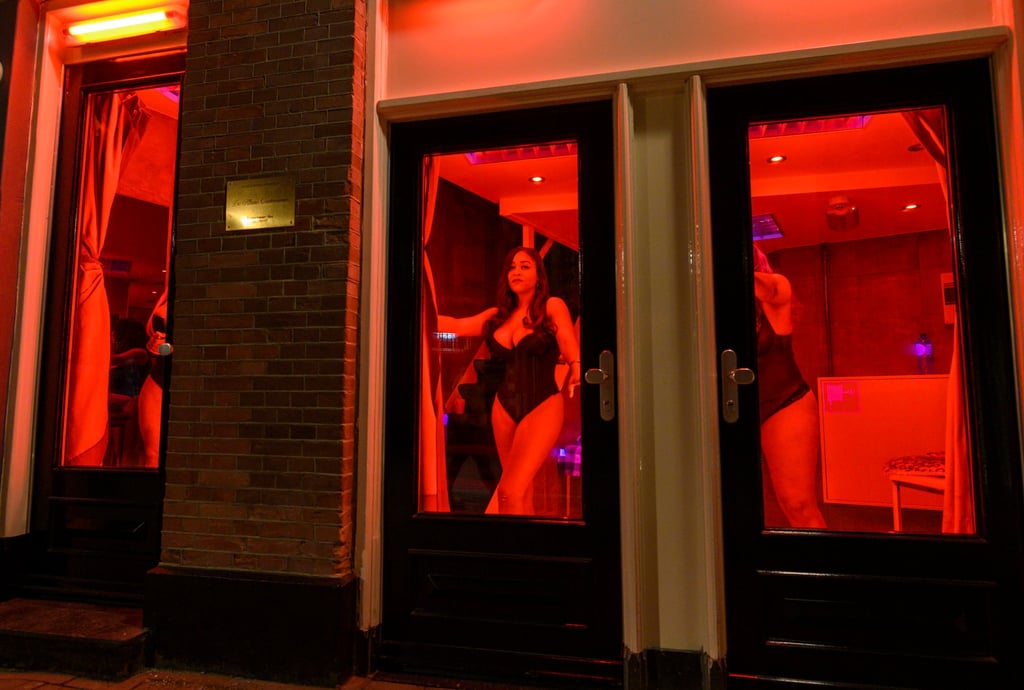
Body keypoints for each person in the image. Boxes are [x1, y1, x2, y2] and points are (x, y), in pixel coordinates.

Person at [438, 246, 581, 515]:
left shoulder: (551, 306)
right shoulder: (497, 316)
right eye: (512, 267)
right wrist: (421, 308)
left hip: (542, 404)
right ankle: (524, 551)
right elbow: (457, 326)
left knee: (509, 490)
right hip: (503, 408)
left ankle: (516, 550)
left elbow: (566, 339)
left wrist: (575, 363)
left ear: (539, 275)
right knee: (519, 491)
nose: (516, 271)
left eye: (525, 266)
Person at [753, 244, 826, 528]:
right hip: (730, 404)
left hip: (785, 402)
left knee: (798, 505)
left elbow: (767, 289)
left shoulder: (777, 287)